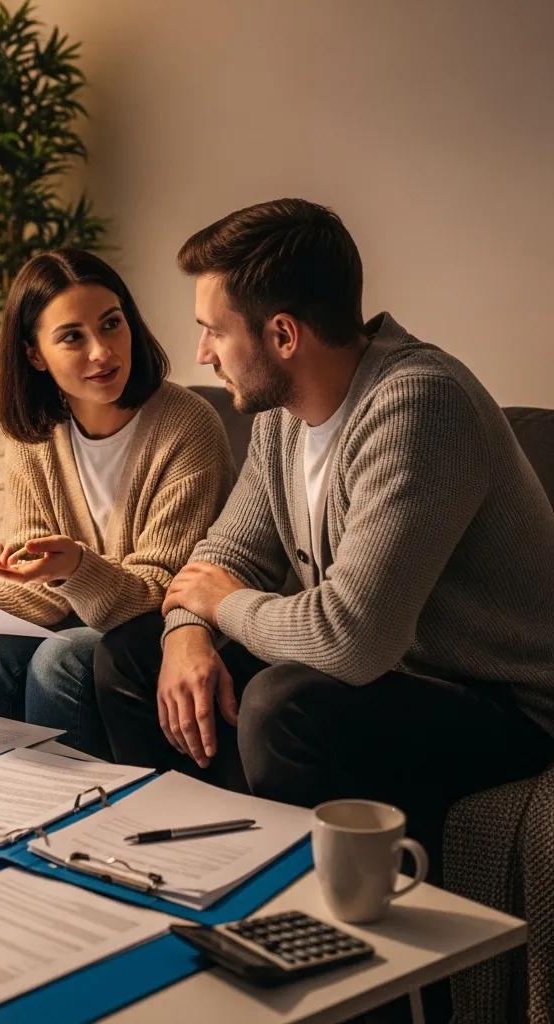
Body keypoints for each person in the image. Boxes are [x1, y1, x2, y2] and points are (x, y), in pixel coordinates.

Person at [94, 198, 554, 862]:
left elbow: (348, 641)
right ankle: (189, 874)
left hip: (504, 703)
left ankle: (300, 922)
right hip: (396, 672)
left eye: (215, 332)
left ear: (283, 335)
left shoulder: (418, 406)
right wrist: (187, 632)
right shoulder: (283, 415)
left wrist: (221, 605)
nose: (202, 354)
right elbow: (224, 554)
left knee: (286, 706)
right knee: (129, 656)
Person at [0, 249, 235, 757]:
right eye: (72, 337)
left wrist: (78, 567)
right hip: (92, 619)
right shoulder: (34, 436)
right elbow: (43, 586)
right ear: (35, 354)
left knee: (60, 659)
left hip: (164, 629)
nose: (102, 352)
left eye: (111, 324)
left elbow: (163, 589)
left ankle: (69, 824)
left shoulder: (187, 426)